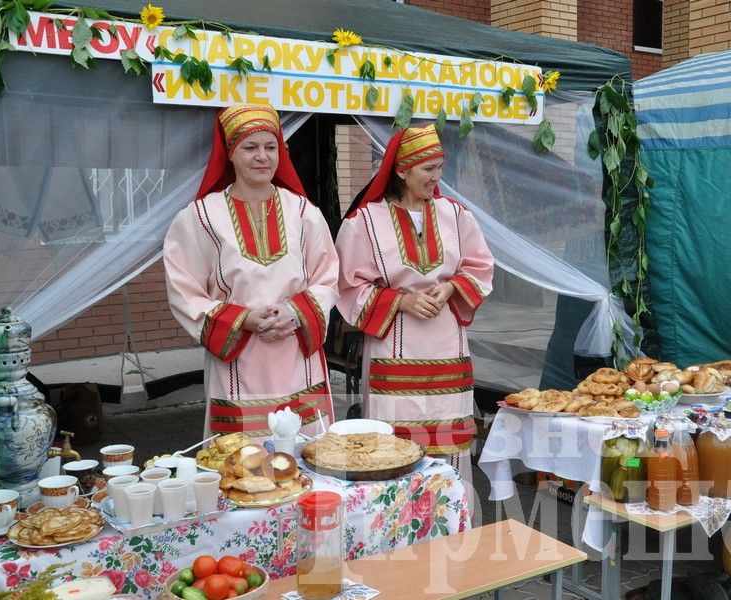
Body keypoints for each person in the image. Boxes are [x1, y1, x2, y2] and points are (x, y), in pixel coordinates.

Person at [164, 104, 339, 439]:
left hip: (295, 351)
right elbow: (184, 290)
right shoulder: (199, 217)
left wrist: (293, 311)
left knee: (303, 454)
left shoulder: (304, 212)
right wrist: (243, 319)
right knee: (244, 461)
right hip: (238, 358)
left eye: (271, 147)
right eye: (250, 147)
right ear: (230, 153)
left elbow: (327, 276)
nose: (263, 157)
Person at [335, 124, 494, 483]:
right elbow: (346, 285)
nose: (437, 178)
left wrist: (453, 288)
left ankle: (450, 519)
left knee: (447, 442)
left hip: (447, 350)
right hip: (394, 348)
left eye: (440, 167)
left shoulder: (456, 216)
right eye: (428, 169)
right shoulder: (365, 222)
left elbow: (481, 265)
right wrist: (401, 301)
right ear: (402, 170)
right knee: (394, 441)